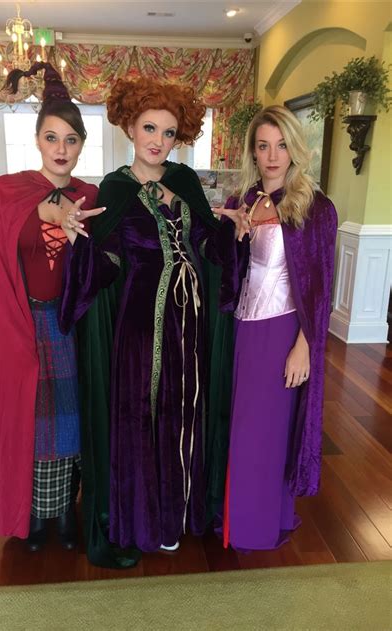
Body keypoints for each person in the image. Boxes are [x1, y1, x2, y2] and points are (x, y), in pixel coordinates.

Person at [60, 77, 232, 555]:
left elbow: (209, 250)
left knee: (185, 414)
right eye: (149, 128)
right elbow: (103, 264)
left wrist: (231, 230)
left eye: (170, 132)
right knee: (144, 416)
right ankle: (144, 516)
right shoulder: (112, 190)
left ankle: (179, 513)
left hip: (190, 324)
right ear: (130, 128)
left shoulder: (184, 181)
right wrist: (78, 240)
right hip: (139, 326)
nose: (158, 141)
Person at [0, 62, 104, 552]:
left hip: (69, 323)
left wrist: (81, 240)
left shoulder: (91, 196)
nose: (62, 149)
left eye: (71, 140)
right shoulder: (8, 192)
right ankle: (31, 514)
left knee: (68, 421)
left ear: (81, 144)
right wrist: (47, 211)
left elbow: (107, 264)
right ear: (37, 141)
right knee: (30, 421)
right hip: (21, 322)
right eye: (53, 138)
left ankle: (64, 514)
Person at [214, 105, 338, 551]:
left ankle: (259, 525)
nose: (272, 156)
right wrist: (234, 238)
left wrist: (305, 345)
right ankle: (234, 519)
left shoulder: (315, 207)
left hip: (283, 331)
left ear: (294, 149)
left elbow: (320, 287)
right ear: (253, 151)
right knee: (240, 427)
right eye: (263, 146)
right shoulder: (240, 202)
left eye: (281, 145)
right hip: (241, 330)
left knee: (267, 431)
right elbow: (227, 278)